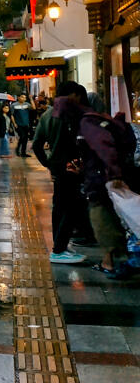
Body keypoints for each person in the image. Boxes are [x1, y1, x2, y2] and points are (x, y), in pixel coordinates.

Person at [58, 93, 139, 278]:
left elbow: (104, 148)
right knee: (118, 217)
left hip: (102, 180)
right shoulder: (102, 121)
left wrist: (113, 173)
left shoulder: (88, 123)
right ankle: (116, 259)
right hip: (109, 178)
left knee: (101, 219)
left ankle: (110, 262)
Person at [32, 81, 96, 265]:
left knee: (60, 207)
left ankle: (60, 247)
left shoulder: (47, 115)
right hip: (73, 167)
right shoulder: (73, 114)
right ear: (71, 95)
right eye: (77, 95)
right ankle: (59, 249)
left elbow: (37, 145)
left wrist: (49, 164)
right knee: (70, 207)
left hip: (58, 167)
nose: (79, 99)